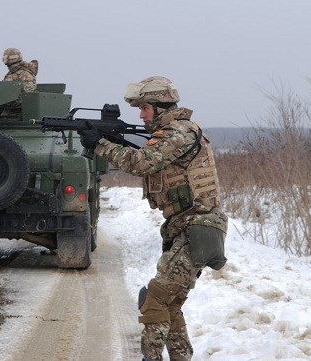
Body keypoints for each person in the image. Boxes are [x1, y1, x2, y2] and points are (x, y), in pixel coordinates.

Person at [79, 76, 228, 361]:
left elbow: (140, 162)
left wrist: (99, 144)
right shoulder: (172, 133)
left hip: (198, 228)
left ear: (160, 107)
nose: (141, 114)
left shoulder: (178, 133)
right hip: (187, 228)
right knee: (169, 304)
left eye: (145, 108)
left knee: (155, 299)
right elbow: (146, 157)